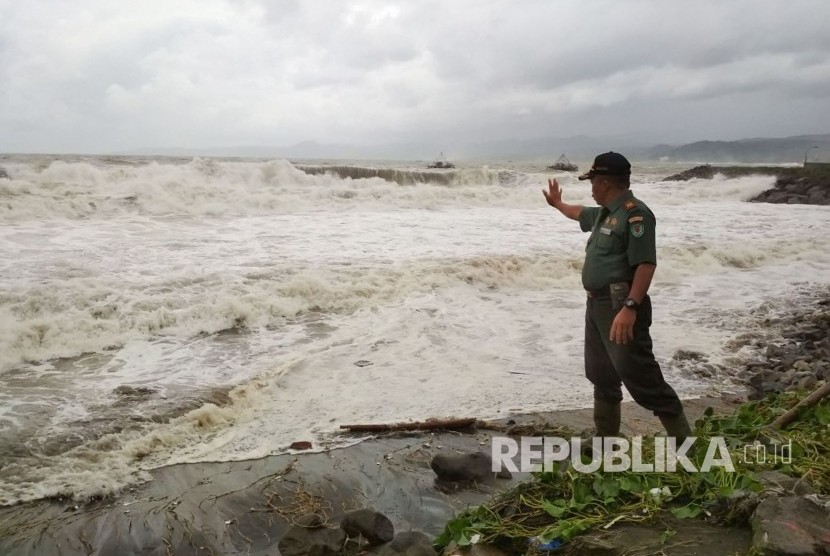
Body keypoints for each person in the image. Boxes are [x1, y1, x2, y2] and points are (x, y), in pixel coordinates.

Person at [542, 152, 692, 441]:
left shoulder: (636, 214)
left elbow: (646, 264)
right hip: (597, 305)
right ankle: (605, 439)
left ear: (606, 182)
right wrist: (558, 203)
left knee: (643, 379)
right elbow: (578, 212)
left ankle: (692, 453)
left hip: (619, 307)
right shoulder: (605, 213)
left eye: (593, 182)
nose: (591, 188)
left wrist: (630, 307)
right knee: (602, 375)